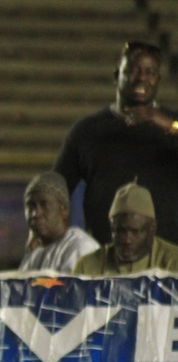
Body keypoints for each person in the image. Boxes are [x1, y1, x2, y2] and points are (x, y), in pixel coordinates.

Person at [55, 41, 178, 246]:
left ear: (158, 79)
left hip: (167, 264)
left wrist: (166, 124)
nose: (141, 77)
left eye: (150, 72)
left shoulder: (171, 125)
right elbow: (55, 191)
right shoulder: (88, 131)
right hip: (103, 262)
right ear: (116, 76)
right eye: (133, 70)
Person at [74, 181, 178, 275]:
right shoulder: (87, 266)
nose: (127, 240)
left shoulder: (173, 262)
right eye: (120, 231)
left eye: (135, 232)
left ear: (152, 229)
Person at [19, 172, 99, 273]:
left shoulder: (80, 247)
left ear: (64, 209)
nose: (35, 214)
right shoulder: (34, 254)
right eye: (31, 206)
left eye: (44, 205)